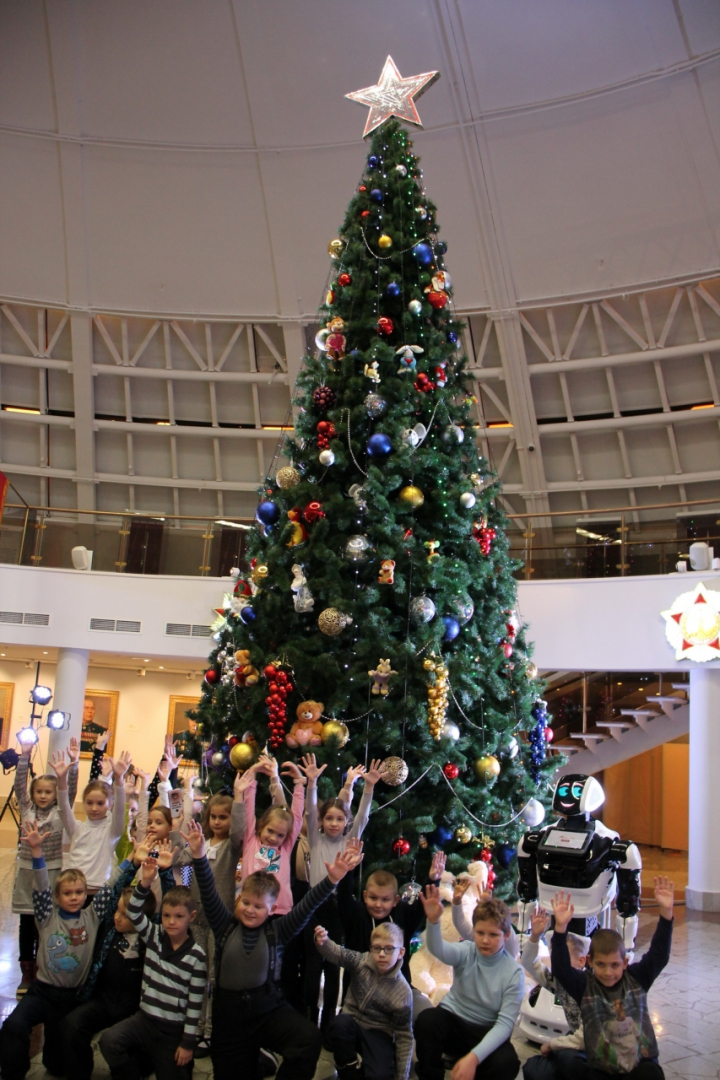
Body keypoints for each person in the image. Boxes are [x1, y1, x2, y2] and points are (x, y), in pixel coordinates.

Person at [181, 817, 365, 1080]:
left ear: (271, 909)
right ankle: (257, 1059)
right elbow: (209, 893)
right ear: (238, 900)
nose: (250, 910)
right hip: (229, 1015)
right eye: (246, 903)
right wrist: (199, 856)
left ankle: (262, 1058)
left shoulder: (278, 930)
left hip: (266, 1009)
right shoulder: (224, 926)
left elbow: (307, 905)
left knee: (307, 1039)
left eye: (259, 907)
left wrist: (332, 878)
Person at [0, 822, 122, 1080]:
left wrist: (131, 860)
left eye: (79, 892)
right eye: (67, 893)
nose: (74, 897)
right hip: (42, 992)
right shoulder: (47, 916)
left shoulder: (92, 916)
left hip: (72, 998)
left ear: (85, 894)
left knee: (57, 1064)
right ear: (57, 897)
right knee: (14, 1025)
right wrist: (37, 852)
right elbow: (41, 887)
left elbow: (111, 886)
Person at [62, 838, 176, 1080]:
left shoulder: (152, 936)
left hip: (135, 1009)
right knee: (73, 1024)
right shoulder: (110, 930)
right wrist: (133, 864)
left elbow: (171, 906)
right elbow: (115, 891)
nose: (117, 917)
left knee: (125, 1051)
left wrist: (165, 871)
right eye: (117, 911)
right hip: (104, 1001)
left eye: (125, 914)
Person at [549, 878, 674, 1079]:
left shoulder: (636, 978)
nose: (608, 972)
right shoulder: (585, 985)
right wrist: (560, 929)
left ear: (625, 963)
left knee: (652, 1074)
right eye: (601, 965)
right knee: (573, 1066)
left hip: (639, 1064)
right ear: (590, 961)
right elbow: (561, 969)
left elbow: (659, 955)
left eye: (614, 965)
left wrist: (666, 914)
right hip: (603, 1068)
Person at [99, 856, 207, 1080]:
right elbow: (134, 910)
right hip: (145, 1021)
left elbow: (195, 1004)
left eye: (178, 916)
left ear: (191, 917)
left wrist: (187, 1043)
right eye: (166, 915)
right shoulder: (154, 935)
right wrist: (145, 882)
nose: (171, 922)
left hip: (173, 1030)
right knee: (109, 1041)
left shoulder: (197, 956)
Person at [301, 754, 386, 1032]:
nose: (334, 823)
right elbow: (310, 811)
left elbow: (362, 816)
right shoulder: (315, 839)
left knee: (333, 966)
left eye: (339, 819)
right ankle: (309, 1021)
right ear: (322, 822)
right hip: (314, 909)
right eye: (329, 818)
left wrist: (369, 786)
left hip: (337, 911)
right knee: (312, 966)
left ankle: (329, 1021)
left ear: (345, 822)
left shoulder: (350, 840)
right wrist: (312, 783)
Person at [414, 885, 524, 1080]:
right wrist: (433, 921)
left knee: (507, 1063)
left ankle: (472, 1067)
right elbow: (439, 949)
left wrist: (474, 1058)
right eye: (480, 933)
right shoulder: (466, 950)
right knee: (427, 1021)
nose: (485, 940)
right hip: (454, 1020)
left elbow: (505, 1025)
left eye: (493, 935)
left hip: (486, 1031)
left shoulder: (514, 973)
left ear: (506, 936)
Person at [12, 736, 79, 995]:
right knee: (26, 923)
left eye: (48, 792)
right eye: (39, 791)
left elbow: (70, 793)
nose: (42, 795)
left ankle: (43, 968)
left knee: (46, 923)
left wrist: (73, 765)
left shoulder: (60, 812)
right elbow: (19, 786)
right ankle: (26, 972)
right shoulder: (27, 809)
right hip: (27, 872)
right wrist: (24, 755)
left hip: (51, 872)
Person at [314, 920, 413, 1080]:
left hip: (379, 1034)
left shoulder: (403, 992)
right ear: (371, 948)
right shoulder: (362, 961)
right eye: (376, 948)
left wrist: (402, 1076)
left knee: (379, 1075)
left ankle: (368, 1063)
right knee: (339, 1025)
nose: (381, 954)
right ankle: (349, 1069)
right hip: (351, 1024)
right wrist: (323, 942)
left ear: (401, 952)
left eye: (389, 949)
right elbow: (338, 953)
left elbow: (404, 1035)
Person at [339, 853, 447, 993]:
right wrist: (347, 871)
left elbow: (421, 907)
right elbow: (344, 899)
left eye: (385, 900)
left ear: (395, 900)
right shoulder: (356, 914)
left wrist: (433, 879)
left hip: (397, 992)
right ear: (365, 896)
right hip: (359, 994)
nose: (378, 905)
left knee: (423, 1005)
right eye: (373, 898)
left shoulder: (402, 914)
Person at [520, 905, 589, 1079]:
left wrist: (553, 1044)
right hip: (575, 1038)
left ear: (582, 961)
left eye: (562, 958)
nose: (557, 963)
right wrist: (535, 936)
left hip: (594, 1046)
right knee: (533, 1069)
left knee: (568, 1060)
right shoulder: (557, 981)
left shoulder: (590, 986)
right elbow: (529, 961)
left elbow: (584, 1038)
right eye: (554, 957)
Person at [53, 747, 131, 893]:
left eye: (100, 803)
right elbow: (63, 807)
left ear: (110, 804)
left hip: (99, 889)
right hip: (74, 889)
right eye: (89, 803)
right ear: (84, 803)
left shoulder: (112, 830)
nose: (94, 808)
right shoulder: (76, 828)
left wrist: (119, 779)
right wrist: (61, 780)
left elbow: (120, 809)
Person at [239, 751, 307, 914]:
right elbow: (248, 808)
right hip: (251, 909)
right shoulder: (250, 841)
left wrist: (299, 784)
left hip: (279, 910)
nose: (273, 838)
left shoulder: (285, 847)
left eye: (280, 835)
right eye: (270, 831)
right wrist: (253, 772)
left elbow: (297, 817)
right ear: (261, 826)